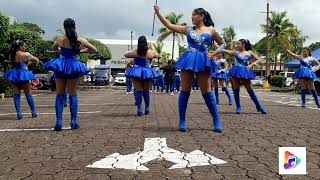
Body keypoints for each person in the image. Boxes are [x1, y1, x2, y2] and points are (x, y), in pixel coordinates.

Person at [154, 5, 225, 133]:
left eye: (194, 14)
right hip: (189, 59)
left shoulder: (211, 31)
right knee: (185, 89)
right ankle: (182, 121)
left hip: (203, 60)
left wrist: (213, 54)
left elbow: (223, 44)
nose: (191, 17)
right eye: (191, 14)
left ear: (201, 16)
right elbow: (169, 25)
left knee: (207, 91)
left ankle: (216, 121)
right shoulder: (187, 29)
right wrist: (158, 13)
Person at [44, 18, 97, 131]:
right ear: (74, 26)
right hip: (73, 65)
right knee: (73, 94)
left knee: (59, 94)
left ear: (64, 27)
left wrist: (61, 50)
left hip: (61, 66)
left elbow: (54, 48)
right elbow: (93, 49)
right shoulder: (79, 39)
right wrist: (81, 51)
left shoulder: (60, 39)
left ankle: (58, 122)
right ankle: (73, 121)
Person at [218, 39, 266, 114]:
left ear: (243, 44)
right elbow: (228, 51)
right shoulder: (236, 52)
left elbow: (258, 59)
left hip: (245, 72)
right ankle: (238, 107)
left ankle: (259, 106)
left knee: (250, 89)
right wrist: (221, 48)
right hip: (236, 72)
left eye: (238, 44)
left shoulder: (250, 52)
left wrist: (252, 64)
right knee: (236, 89)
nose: (236, 45)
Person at [4, 40, 39, 120]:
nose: (25, 47)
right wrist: (29, 61)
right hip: (24, 75)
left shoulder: (12, 55)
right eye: (24, 46)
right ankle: (33, 112)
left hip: (15, 75)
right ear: (20, 47)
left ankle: (19, 113)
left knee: (16, 95)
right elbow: (36, 60)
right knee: (28, 95)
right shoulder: (26, 54)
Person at [125, 36, 160, 116]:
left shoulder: (135, 52)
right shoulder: (150, 52)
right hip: (147, 71)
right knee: (146, 90)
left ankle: (139, 109)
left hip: (137, 71)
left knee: (139, 90)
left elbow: (126, 54)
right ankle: (147, 108)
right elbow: (159, 55)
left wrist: (133, 52)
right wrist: (150, 48)